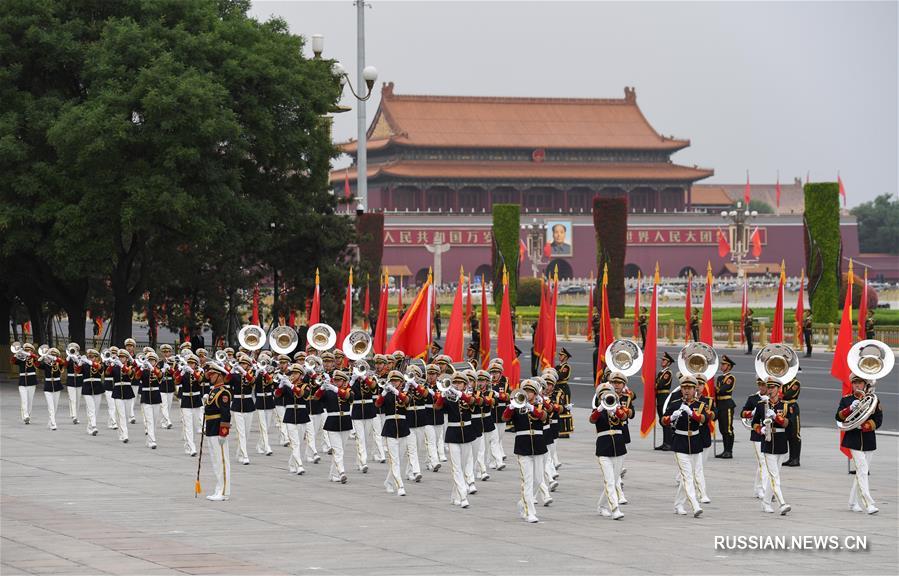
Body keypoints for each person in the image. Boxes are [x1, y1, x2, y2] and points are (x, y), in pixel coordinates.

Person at [502, 379, 547, 523]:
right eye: (525, 391)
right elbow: (504, 417)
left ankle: (523, 503)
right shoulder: (516, 405)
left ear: (535, 393)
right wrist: (511, 406)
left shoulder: (540, 404)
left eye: (530, 392)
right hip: (523, 445)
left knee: (539, 479)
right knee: (527, 480)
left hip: (539, 444)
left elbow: (544, 417)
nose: (528, 394)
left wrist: (531, 407)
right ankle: (530, 512)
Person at [836, 375, 882, 514]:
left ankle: (852, 502)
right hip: (853, 440)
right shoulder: (847, 399)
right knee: (862, 469)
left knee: (861, 473)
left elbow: (878, 420)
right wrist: (849, 408)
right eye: (854, 383)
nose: (857, 385)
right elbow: (838, 417)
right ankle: (869, 503)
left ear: (864, 384)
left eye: (859, 383)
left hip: (868, 440)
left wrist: (865, 426)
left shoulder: (873, 399)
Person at [661, 374, 705, 517]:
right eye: (684, 388)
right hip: (680, 442)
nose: (686, 391)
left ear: (694, 389)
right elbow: (663, 420)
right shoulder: (675, 403)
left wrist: (691, 413)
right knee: (687, 476)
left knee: (689, 475)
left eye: (689, 388)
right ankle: (695, 505)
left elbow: (704, 419)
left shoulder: (700, 405)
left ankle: (678, 504)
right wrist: (671, 417)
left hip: (695, 442)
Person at [435, 372, 478, 508]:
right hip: (453, 433)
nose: (457, 385)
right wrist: (442, 394)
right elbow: (437, 407)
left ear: (465, 385)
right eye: (455, 383)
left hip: (467, 433)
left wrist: (460, 394)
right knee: (456, 467)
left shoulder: (470, 394)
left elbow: (472, 403)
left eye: (460, 383)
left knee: (463, 465)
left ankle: (455, 495)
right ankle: (463, 495)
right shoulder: (449, 396)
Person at [590, 382, 630, 520]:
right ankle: (615, 509)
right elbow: (592, 420)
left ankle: (601, 506)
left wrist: (615, 408)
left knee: (612, 480)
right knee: (609, 481)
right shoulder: (597, 410)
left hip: (619, 447)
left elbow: (624, 417)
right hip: (604, 447)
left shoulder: (618, 408)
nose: (607, 397)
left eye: (609, 394)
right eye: (603, 394)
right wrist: (601, 408)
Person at [752, 379, 792, 515]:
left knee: (773, 476)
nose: (770, 390)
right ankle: (782, 503)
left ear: (778, 388)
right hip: (768, 442)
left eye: (773, 387)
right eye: (768, 387)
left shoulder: (785, 405)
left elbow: (788, 424)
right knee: (774, 476)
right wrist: (760, 430)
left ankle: (766, 502)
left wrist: (776, 417)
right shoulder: (761, 405)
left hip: (781, 441)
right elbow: (754, 423)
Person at [375, 370, 413, 497]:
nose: (394, 383)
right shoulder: (387, 394)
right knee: (394, 460)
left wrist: (397, 392)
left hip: (402, 427)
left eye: (396, 381)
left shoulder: (405, 392)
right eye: (392, 381)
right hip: (390, 427)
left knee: (399, 459)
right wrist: (385, 392)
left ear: (401, 382)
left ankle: (388, 482)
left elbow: (407, 401)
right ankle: (400, 486)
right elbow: (377, 404)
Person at [316, 369, 354, 484]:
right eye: (335, 380)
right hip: (332, 422)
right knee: (338, 450)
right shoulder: (329, 391)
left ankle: (333, 474)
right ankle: (341, 472)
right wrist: (322, 387)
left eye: (339, 380)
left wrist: (335, 389)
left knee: (340, 449)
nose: (336, 382)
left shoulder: (348, 390)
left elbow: (349, 397)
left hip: (345, 421)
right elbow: (316, 398)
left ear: (344, 381)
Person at [202, 361, 232, 501]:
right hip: (211, 428)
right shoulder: (213, 391)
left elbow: (225, 413)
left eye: (212, 374)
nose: (210, 376)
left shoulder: (223, 392)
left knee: (222, 461)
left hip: (218, 430)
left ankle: (224, 491)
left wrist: (224, 432)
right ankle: (218, 488)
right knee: (215, 461)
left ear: (219, 375)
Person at [274, 363, 309, 475]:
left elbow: (303, 395)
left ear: (301, 374)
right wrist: (280, 385)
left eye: (295, 373)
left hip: (302, 414)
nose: (292, 375)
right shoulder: (287, 385)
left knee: (299, 442)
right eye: (291, 373)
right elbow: (277, 395)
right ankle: (299, 465)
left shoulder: (305, 385)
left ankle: (291, 463)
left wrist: (291, 386)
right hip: (289, 414)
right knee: (295, 442)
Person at [350, 359, 384, 472]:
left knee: (365, 437)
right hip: (357, 410)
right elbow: (347, 392)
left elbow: (374, 388)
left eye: (362, 368)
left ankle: (359, 461)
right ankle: (363, 461)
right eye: (358, 367)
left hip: (369, 410)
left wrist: (364, 377)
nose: (360, 370)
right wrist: (352, 380)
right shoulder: (352, 380)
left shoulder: (371, 379)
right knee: (360, 438)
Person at [741, 378, 769, 499]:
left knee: (763, 463)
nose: (762, 388)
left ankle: (757, 488)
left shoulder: (772, 399)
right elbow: (742, 413)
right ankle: (764, 489)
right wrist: (751, 413)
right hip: (757, 434)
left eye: (764, 386)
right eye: (760, 385)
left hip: (769, 433)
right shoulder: (753, 398)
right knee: (763, 462)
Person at [175, 353, 205, 456]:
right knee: (188, 426)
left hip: (196, 400)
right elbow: (176, 382)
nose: (190, 365)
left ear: (196, 364)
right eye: (189, 363)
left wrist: (193, 372)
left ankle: (188, 445)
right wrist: (182, 373)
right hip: (186, 400)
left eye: (192, 363)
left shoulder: (199, 371)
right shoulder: (183, 371)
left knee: (195, 425)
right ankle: (192, 447)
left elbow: (201, 381)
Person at [229, 354, 256, 465]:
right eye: (241, 363)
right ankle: (245, 455)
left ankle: (240, 453)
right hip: (237, 404)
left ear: (249, 365)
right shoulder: (235, 375)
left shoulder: (252, 373)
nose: (242, 365)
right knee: (241, 432)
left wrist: (244, 372)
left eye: (245, 364)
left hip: (248, 404)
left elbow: (252, 381)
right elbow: (227, 380)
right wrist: (231, 369)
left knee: (247, 432)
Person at [136, 351, 163, 449]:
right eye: (149, 360)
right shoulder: (143, 370)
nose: (150, 362)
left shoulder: (159, 369)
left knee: (155, 420)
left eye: (152, 360)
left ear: (155, 362)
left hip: (156, 396)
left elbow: (160, 376)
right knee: (149, 420)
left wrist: (152, 368)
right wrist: (142, 368)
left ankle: (149, 439)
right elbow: (136, 377)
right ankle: (152, 440)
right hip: (146, 396)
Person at [12, 342, 39, 424]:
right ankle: (25, 415)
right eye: (25, 350)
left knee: (30, 400)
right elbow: (13, 361)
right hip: (22, 381)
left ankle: (28, 417)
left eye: (29, 350)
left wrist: (30, 355)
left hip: (32, 381)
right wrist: (16, 354)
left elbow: (37, 361)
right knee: (24, 400)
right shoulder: (21, 358)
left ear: (31, 351)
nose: (27, 351)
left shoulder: (33, 358)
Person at [714, 355, 736, 459]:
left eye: (724, 364)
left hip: (727, 404)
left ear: (729, 366)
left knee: (728, 429)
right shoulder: (720, 377)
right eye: (722, 364)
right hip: (720, 405)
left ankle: (729, 451)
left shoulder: (730, 378)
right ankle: (725, 450)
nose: (721, 366)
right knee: (722, 429)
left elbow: (723, 390)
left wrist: (716, 389)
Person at [488, 360, 509, 468]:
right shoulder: (488, 383)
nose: (494, 374)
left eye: (496, 372)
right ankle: (499, 461)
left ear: (501, 373)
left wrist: (498, 394)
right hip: (491, 413)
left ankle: (492, 461)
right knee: (494, 439)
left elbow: (507, 396)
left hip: (501, 413)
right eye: (492, 372)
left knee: (499, 438)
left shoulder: (504, 382)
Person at [80, 349, 105, 436]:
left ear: (96, 357)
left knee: (96, 409)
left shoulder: (99, 364)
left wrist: (91, 363)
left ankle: (89, 427)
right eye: (89, 357)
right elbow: (77, 371)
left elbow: (101, 370)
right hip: (87, 387)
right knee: (91, 408)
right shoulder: (85, 364)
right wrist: (79, 362)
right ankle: (94, 426)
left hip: (97, 387)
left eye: (92, 357)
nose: (90, 358)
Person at [40, 348, 65, 430]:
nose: (52, 356)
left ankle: (50, 421)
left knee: (55, 407)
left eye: (54, 355)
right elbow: (37, 365)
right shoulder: (46, 364)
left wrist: (54, 358)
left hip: (57, 385)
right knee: (51, 406)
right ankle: (54, 424)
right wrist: (41, 357)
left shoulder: (59, 363)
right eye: (51, 354)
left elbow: (63, 362)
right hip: (48, 385)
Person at [654, 352, 674, 450]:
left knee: (665, 420)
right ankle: (665, 442)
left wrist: (656, 383)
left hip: (664, 397)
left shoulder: (667, 373)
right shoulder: (661, 372)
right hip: (660, 397)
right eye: (662, 360)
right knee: (662, 420)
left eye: (664, 360)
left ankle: (669, 443)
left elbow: (660, 384)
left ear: (669, 363)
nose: (662, 361)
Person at [782, 376, 802, 467]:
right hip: (783, 407)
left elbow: (787, 394)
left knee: (795, 433)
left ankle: (796, 459)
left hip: (792, 408)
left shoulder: (795, 383)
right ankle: (791, 458)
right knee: (788, 434)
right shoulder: (783, 381)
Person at [555, 348, 573, 439]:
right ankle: (560, 429)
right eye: (560, 355)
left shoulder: (566, 367)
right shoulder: (558, 366)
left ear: (565, 357)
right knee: (559, 408)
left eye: (561, 355)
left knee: (565, 408)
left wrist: (554, 373)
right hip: (558, 389)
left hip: (564, 389)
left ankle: (565, 431)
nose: (559, 356)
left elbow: (560, 376)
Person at [64, 343, 82, 425]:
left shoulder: (80, 357)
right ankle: (74, 416)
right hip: (71, 380)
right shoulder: (68, 358)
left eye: (75, 349)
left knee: (77, 399)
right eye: (72, 349)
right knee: (72, 399)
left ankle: (75, 414)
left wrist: (76, 359)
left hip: (79, 380)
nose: (73, 350)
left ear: (77, 350)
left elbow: (81, 366)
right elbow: (65, 366)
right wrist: (69, 356)